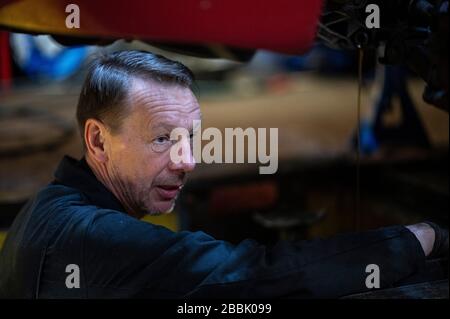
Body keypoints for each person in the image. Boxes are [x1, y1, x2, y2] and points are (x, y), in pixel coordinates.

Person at [0, 51, 446, 299]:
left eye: (191, 138)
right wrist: (420, 237)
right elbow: (253, 275)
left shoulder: (46, 207)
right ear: (97, 141)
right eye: (161, 140)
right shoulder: (93, 235)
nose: (188, 161)